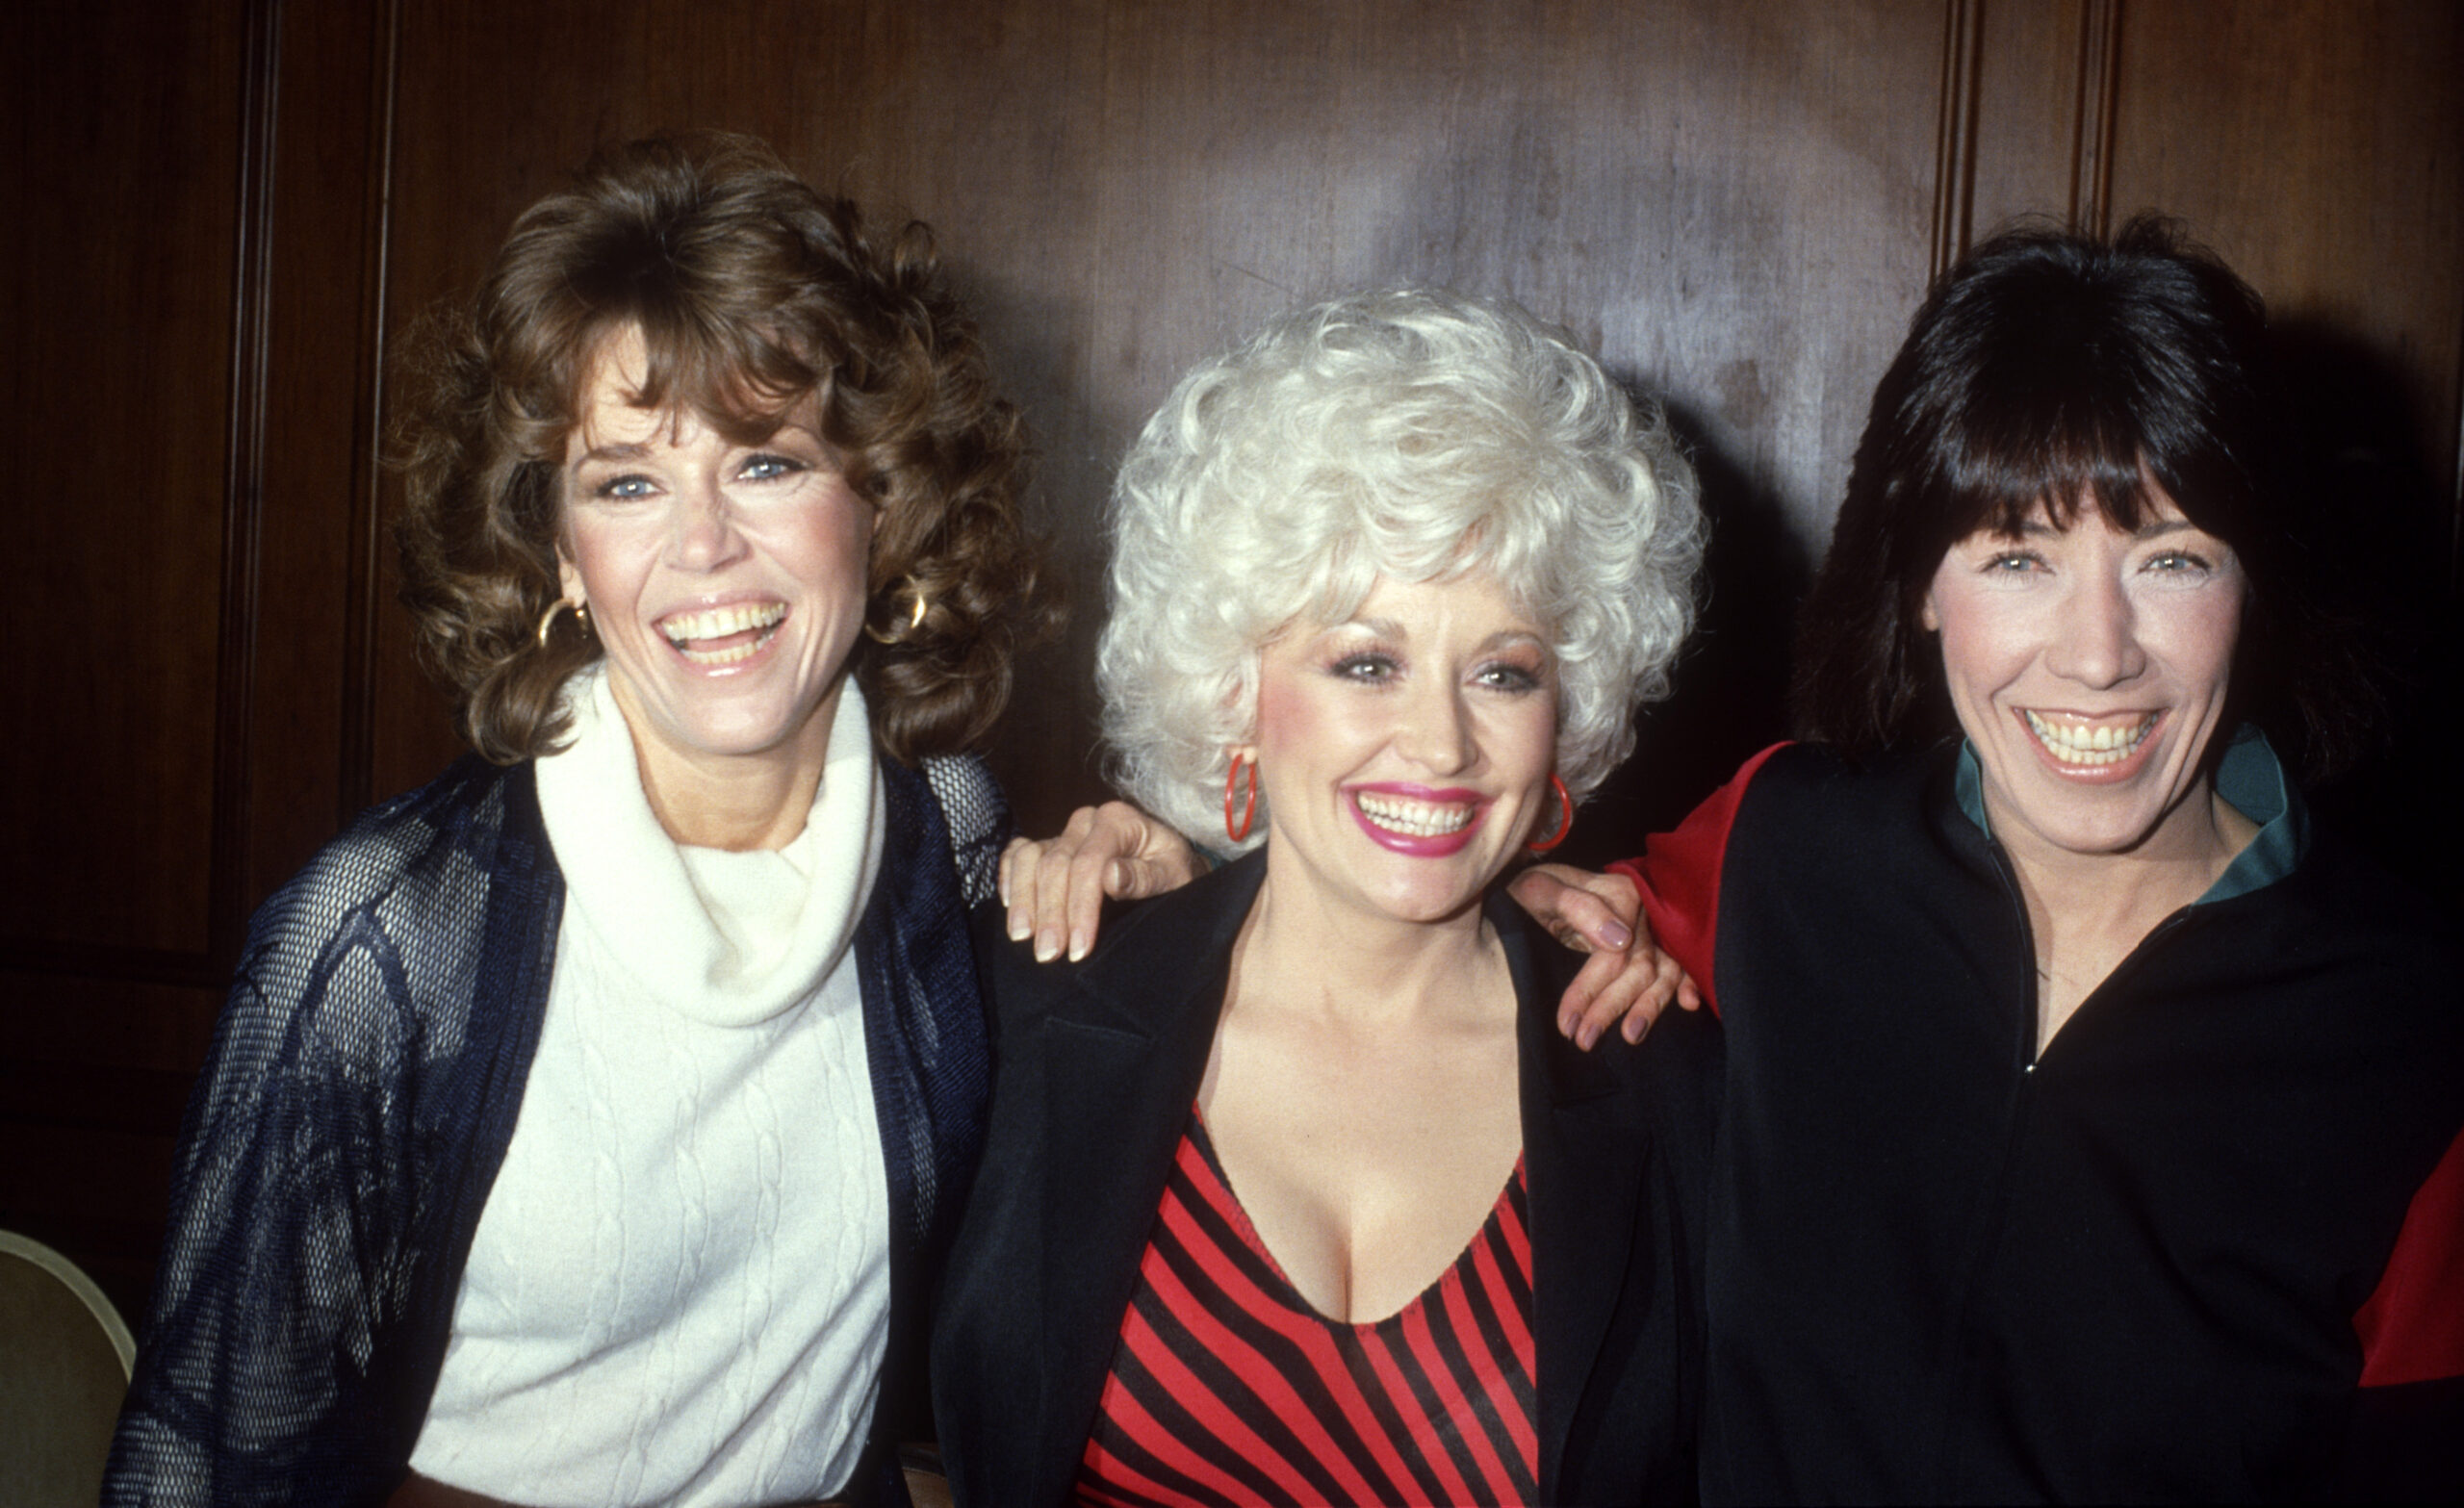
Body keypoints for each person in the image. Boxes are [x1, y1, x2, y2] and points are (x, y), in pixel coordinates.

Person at [106, 132, 1048, 1507]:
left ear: (883, 503)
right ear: (557, 549)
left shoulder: (947, 843)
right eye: (625, 481)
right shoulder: (384, 934)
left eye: (769, 463)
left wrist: (1150, 879)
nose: (704, 544)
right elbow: (197, 1467)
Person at [1534, 217, 2464, 1500]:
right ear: (1920, 585)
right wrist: (1191, 873)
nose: (2098, 652)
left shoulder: (2416, 1022)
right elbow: (1486, 939)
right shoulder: (1781, 841)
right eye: (2020, 555)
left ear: (2259, 587)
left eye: (2173, 557)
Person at [932, 289, 1718, 1506]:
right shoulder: (1032, 1004)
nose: (1442, 742)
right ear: (1237, 685)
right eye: (1367, 661)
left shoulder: (1657, 1074)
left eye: (1503, 673)